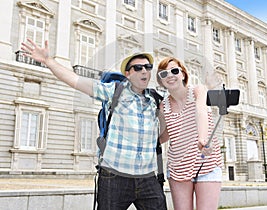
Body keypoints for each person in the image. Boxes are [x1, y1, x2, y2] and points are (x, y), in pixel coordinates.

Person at [21, 39, 167, 210]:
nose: (144, 71)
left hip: (148, 177)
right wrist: (48, 61)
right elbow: (75, 80)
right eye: (138, 67)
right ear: (128, 74)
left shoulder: (155, 100)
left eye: (148, 67)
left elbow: (160, 137)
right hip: (115, 176)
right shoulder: (114, 91)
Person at [156, 57, 222, 210]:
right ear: (161, 80)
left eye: (174, 71)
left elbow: (201, 112)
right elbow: (166, 134)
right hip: (177, 167)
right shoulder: (163, 105)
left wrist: (203, 139)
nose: (170, 76)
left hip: (206, 163)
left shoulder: (198, 90)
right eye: (164, 74)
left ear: (183, 74)